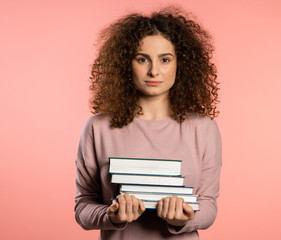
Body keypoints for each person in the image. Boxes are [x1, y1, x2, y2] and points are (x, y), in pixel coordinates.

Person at [74, 6, 222, 240]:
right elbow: (83, 207)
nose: (154, 71)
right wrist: (111, 215)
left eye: (165, 59)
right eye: (142, 59)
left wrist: (184, 218)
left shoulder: (203, 128)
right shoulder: (97, 128)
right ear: (125, 64)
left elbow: (209, 206)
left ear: (180, 64)